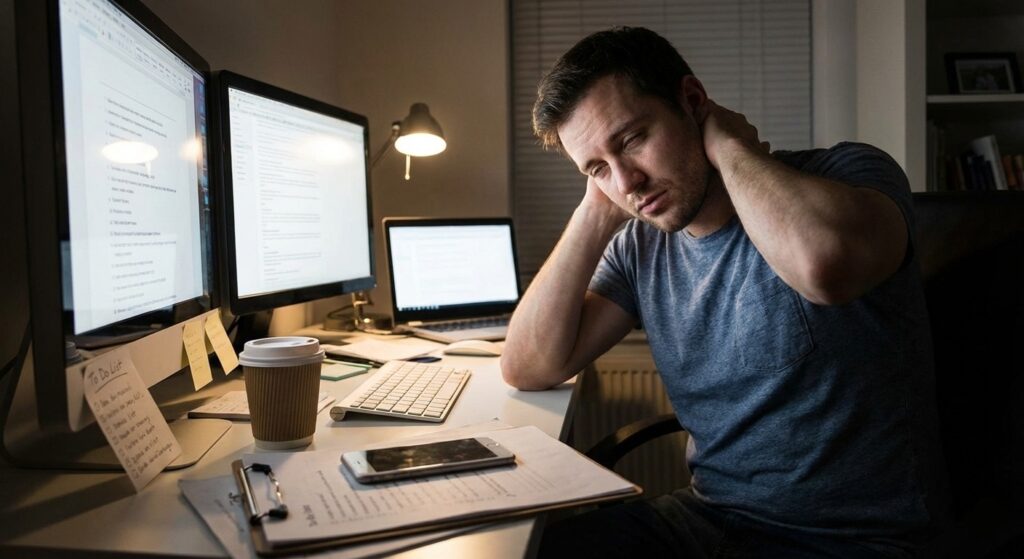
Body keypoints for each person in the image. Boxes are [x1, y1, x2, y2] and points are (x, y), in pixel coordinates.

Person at [501, 26, 948, 558]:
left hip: (854, 541)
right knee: (522, 552)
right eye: (597, 167)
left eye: (632, 140)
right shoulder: (641, 247)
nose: (627, 182)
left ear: (690, 101)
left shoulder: (849, 174)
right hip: (706, 522)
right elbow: (528, 366)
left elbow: (825, 268)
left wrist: (728, 146)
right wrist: (596, 207)